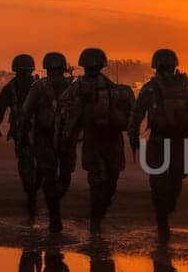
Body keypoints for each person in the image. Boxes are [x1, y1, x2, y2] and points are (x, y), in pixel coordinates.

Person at [128, 49, 188, 246]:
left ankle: (162, 220)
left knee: (159, 183)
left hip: (159, 142)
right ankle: (165, 216)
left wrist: (133, 137)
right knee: (175, 182)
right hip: (179, 142)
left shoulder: (150, 88)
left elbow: (137, 114)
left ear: (156, 66)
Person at [56, 47, 134, 229]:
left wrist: (67, 136)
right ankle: (97, 217)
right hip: (106, 139)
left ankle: (97, 216)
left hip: (98, 139)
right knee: (104, 181)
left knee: (101, 180)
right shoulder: (110, 88)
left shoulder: (85, 88)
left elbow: (65, 111)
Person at [15, 52, 75, 233]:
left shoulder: (46, 87)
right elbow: (26, 113)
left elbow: (25, 113)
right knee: (56, 178)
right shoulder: (69, 86)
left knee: (59, 179)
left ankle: (54, 213)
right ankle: (55, 219)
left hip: (57, 138)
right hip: (51, 138)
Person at [0, 54, 39, 218]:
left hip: (32, 133)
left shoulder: (17, 87)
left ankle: (32, 193)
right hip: (26, 133)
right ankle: (32, 194)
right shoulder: (37, 85)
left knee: (30, 166)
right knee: (31, 165)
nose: (24, 76)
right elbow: (0, 108)